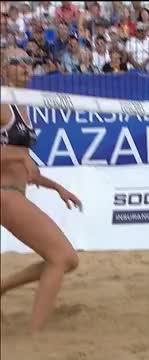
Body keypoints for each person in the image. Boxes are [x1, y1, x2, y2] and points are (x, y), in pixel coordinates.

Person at [0, 48, 82, 333]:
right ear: (2, 69)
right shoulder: (2, 102)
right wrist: (18, 157)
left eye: (27, 61)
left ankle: (3, 287)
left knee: (66, 260)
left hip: (14, 191)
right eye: (16, 62)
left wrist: (56, 186)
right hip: (4, 193)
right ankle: (35, 337)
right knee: (62, 258)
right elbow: (16, 156)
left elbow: (25, 164)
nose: (24, 66)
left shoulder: (24, 105)